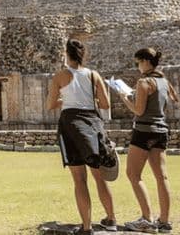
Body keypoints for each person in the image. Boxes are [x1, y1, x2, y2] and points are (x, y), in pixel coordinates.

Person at [47, 39, 117, 234]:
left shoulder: (60, 76)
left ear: (66, 54)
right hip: (93, 124)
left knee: (79, 179)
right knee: (99, 175)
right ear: (83, 55)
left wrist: (66, 99)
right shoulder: (94, 75)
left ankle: (86, 227)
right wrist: (87, 99)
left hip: (71, 125)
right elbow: (105, 104)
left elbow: (50, 104)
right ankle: (111, 219)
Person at [120, 48, 179, 234]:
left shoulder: (144, 82)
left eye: (138, 62)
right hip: (161, 131)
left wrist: (124, 98)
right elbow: (173, 99)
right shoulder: (164, 81)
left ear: (145, 61)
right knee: (162, 177)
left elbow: (138, 111)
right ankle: (165, 221)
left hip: (144, 131)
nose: (137, 66)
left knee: (133, 174)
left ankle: (147, 219)